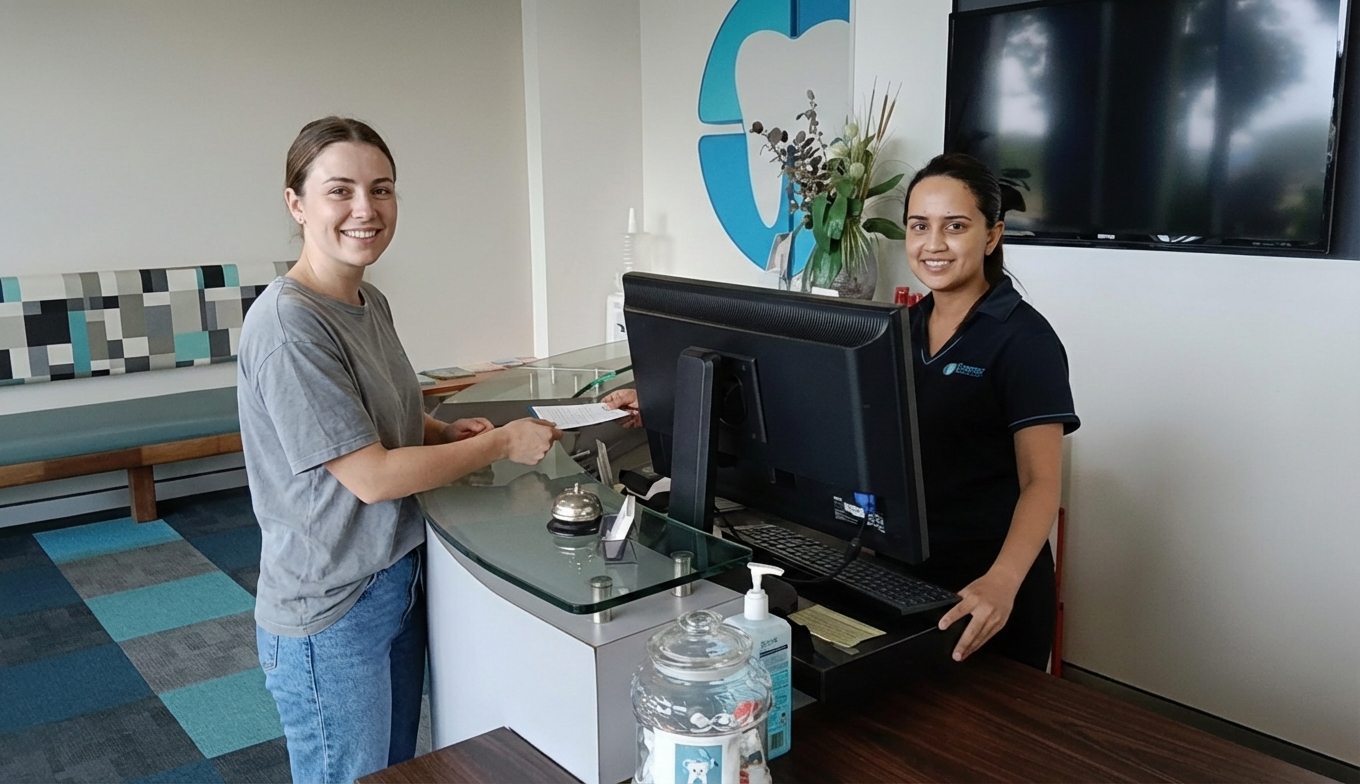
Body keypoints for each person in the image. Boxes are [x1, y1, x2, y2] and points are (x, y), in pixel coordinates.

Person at [236, 116, 562, 783]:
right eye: (341, 190)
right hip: (331, 604)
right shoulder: (289, 325)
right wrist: (499, 442)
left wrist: (442, 433)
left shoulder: (366, 299)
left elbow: (388, 411)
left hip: (393, 577)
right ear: (296, 204)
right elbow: (373, 476)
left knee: (394, 771)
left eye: (381, 190)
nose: (366, 209)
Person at [902, 152, 1079, 670]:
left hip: (992, 590)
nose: (933, 244)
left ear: (992, 236)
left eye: (954, 226)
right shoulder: (900, 331)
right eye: (919, 226)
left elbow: (1041, 483)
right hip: (907, 577)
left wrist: (1002, 582)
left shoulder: (1026, 340)